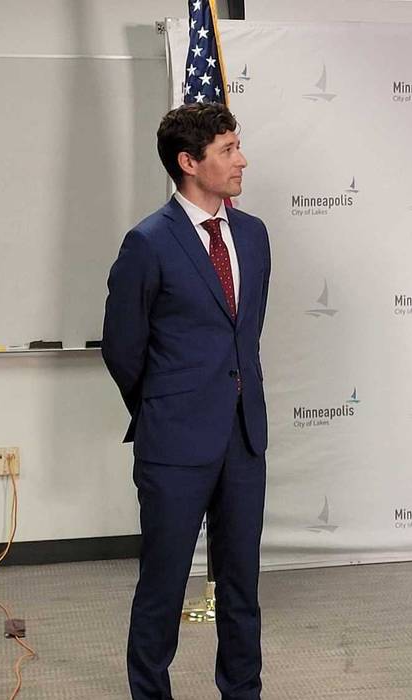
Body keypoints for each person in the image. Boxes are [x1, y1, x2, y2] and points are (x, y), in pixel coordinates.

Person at [102, 102, 271, 700]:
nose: (240, 158)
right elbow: (123, 347)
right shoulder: (147, 243)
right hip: (173, 443)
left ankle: (242, 692)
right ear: (188, 162)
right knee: (164, 585)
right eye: (227, 149)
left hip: (244, 439)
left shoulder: (252, 234)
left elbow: (243, 332)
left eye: (236, 144)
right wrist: (166, 407)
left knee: (241, 585)